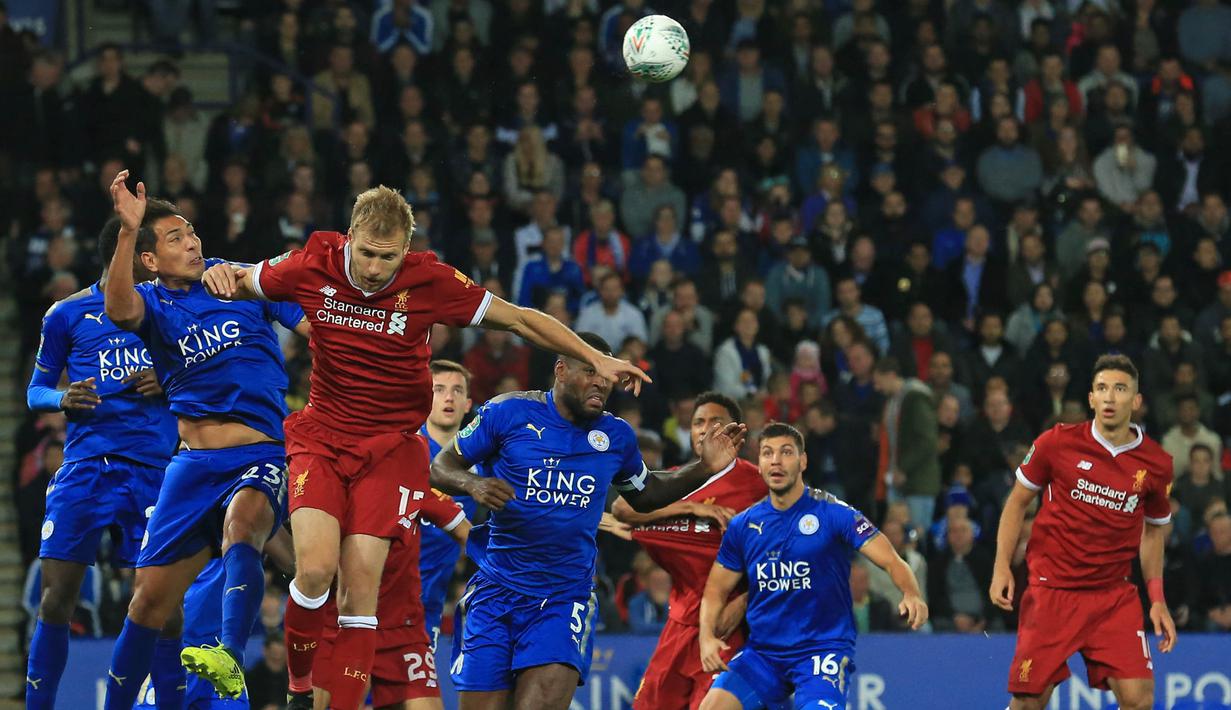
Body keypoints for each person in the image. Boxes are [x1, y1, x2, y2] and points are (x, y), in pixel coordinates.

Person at [200, 186, 647, 710]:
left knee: (359, 597)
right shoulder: (312, 263)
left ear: (405, 250)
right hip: (322, 437)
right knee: (316, 570)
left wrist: (597, 357)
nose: (372, 267)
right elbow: (244, 278)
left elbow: (522, 319)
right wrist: (216, 272)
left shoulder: (430, 281)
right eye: (365, 252)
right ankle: (299, 690)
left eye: (386, 257)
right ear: (349, 238)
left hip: (390, 449)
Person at [430, 332, 745, 710]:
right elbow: (441, 466)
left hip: (564, 598)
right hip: (495, 591)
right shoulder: (507, 413)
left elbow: (644, 493)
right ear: (561, 370)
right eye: (591, 371)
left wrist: (703, 469)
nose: (601, 382)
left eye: (607, 377)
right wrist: (474, 484)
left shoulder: (614, 435)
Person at [100, 172, 308, 708]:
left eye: (191, 233)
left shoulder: (239, 281)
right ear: (149, 259)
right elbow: (118, 310)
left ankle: (229, 656)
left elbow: (315, 326)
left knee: (244, 527)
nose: (192, 242)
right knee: (148, 605)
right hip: (192, 465)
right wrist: (127, 230)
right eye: (175, 238)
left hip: (261, 452)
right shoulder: (151, 302)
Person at [24, 217, 181, 710]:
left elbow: (202, 377)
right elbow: (35, 392)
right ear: (126, 255)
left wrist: (168, 378)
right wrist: (63, 396)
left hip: (153, 472)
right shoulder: (66, 314)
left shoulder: (170, 309)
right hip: (87, 468)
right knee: (55, 600)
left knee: (164, 609)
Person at [989, 354, 1177, 710]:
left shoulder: (1157, 464)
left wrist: (1156, 598)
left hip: (1112, 596)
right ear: (1091, 398)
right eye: (1102, 388)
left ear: (1135, 401)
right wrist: (1001, 567)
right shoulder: (1055, 444)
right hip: (1052, 592)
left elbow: (1152, 533)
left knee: (1139, 699)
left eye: (1120, 389)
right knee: (1029, 702)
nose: (1110, 397)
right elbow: (1016, 503)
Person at [697, 423, 928, 710]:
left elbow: (891, 560)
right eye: (767, 453)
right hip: (764, 654)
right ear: (759, 464)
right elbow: (715, 590)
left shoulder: (834, 513)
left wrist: (911, 593)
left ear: (803, 461)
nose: (776, 461)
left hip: (821, 651)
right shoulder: (744, 525)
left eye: (786, 452)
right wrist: (706, 637)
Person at [610, 391, 768, 710]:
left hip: (729, 628)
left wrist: (741, 604)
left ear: (735, 433)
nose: (704, 430)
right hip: (680, 623)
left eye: (715, 422)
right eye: (698, 423)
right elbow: (622, 508)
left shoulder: (757, 486)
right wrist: (693, 508)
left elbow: (783, 554)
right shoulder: (679, 479)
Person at [311, 490, 467, 710]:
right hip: (338, 627)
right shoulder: (332, 487)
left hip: (402, 631)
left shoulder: (415, 488)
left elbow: (467, 533)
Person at [417, 359, 477, 650]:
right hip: (380, 590)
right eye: (438, 389)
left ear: (468, 404)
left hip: (430, 602)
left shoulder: (482, 460)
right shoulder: (402, 447)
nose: (449, 397)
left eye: (457, 390)